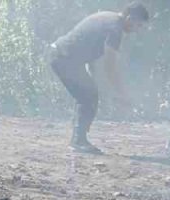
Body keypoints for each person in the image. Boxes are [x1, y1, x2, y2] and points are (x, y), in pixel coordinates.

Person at [48, 2, 149, 154]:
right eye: (138, 25)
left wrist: (106, 89)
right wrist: (122, 95)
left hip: (62, 56)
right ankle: (78, 141)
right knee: (88, 96)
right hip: (64, 58)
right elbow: (110, 66)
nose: (137, 30)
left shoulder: (109, 18)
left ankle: (78, 138)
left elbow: (90, 49)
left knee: (88, 94)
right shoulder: (115, 29)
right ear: (130, 18)